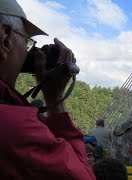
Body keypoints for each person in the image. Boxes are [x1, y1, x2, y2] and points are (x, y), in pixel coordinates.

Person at [0, 0, 94, 179]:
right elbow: (83, 175)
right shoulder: (13, 126)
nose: (30, 54)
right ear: (5, 39)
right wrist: (55, 98)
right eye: (27, 41)